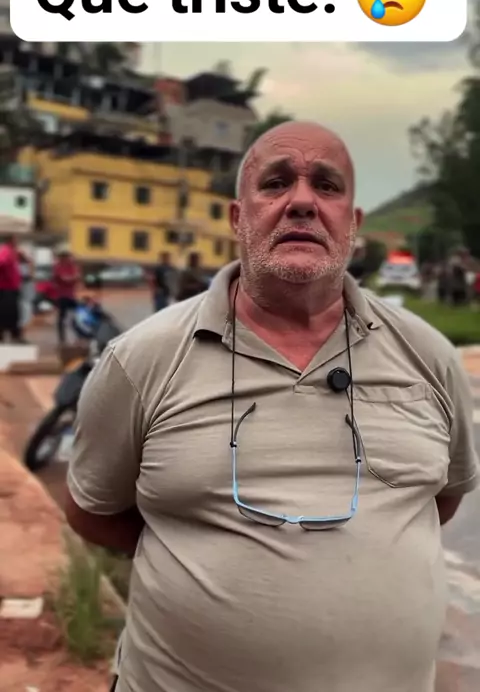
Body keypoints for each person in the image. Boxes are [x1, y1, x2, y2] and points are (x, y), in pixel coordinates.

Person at [64, 121, 479, 692]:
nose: (302, 202)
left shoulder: (428, 355)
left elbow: (442, 500)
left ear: (353, 224)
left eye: (327, 186)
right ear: (238, 217)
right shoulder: (141, 360)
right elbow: (93, 509)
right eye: (276, 182)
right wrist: (204, 560)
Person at [53, 247, 80, 344]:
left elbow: (76, 277)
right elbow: (63, 278)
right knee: (62, 317)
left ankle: (77, 336)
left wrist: (71, 279)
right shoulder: (58, 266)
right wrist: (71, 279)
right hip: (62, 295)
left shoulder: (72, 266)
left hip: (71, 295)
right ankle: (62, 339)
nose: (67, 258)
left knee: (76, 316)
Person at [0, 234, 24, 343]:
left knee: (10, 312)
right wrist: (8, 277)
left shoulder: (12, 251)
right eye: (16, 239)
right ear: (11, 240)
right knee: (10, 312)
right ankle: (14, 335)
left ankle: (12, 335)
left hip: (11, 286)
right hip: (7, 287)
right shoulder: (6, 250)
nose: (18, 241)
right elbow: (2, 263)